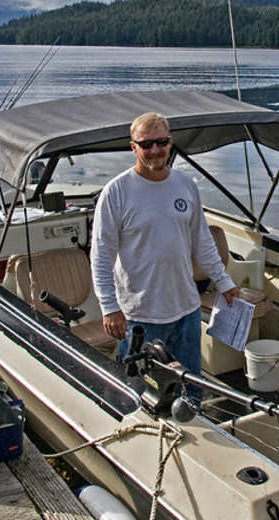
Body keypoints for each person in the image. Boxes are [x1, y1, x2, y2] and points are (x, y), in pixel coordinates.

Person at [90, 112, 240, 383]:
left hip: (187, 311)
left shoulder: (186, 185)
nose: (155, 150)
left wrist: (225, 282)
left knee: (189, 387)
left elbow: (202, 242)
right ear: (133, 146)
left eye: (162, 142)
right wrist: (109, 307)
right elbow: (101, 257)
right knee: (135, 391)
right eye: (147, 144)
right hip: (139, 317)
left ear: (171, 142)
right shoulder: (116, 192)